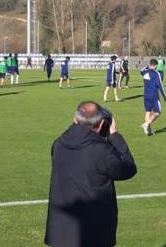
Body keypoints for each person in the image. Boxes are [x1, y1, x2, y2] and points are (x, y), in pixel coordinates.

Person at [45, 101, 137, 247]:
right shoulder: (102, 151)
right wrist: (114, 135)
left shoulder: (58, 144)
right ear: (100, 125)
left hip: (61, 230)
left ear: (75, 120)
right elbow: (128, 168)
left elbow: (74, 137)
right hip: (92, 233)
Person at [141, 59, 166, 136]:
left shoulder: (144, 72)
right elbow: (160, 86)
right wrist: (164, 96)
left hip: (146, 95)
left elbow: (141, 70)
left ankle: (148, 131)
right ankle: (146, 124)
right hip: (154, 95)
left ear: (149, 64)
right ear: (156, 66)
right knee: (158, 112)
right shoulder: (156, 74)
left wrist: (147, 66)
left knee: (148, 111)